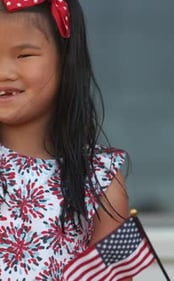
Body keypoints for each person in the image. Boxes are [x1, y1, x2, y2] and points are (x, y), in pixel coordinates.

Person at [0, 0, 129, 280]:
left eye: (24, 55)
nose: (3, 72)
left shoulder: (99, 179)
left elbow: (118, 273)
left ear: (65, 57)